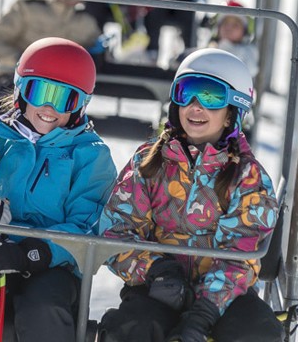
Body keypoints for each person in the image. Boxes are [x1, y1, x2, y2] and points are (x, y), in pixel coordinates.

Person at [0, 37, 118, 342]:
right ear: (20, 91)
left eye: (64, 99)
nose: (48, 108)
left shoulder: (91, 155)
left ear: (82, 105)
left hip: (55, 266)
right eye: (39, 92)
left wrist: (30, 253)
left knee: (42, 310)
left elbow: (87, 227)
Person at [97, 48, 283, 342]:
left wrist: (203, 314)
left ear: (232, 112)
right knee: (130, 327)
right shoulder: (149, 163)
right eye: (187, 93)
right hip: (158, 289)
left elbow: (241, 254)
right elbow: (115, 231)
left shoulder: (247, 177)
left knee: (258, 333)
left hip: (225, 298)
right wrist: (158, 270)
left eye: (210, 97)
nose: (195, 107)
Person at [0, 0, 101, 93]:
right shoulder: (27, 8)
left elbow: (91, 57)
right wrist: (22, 62)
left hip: (61, 89)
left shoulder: (87, 24)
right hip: (16, 79)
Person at [208, 0, 258, 79]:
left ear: (244, 32)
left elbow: (251, 70)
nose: (229, 28)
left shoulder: (248, 52)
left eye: (235, 25)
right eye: (225, 23)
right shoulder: (209, 49)